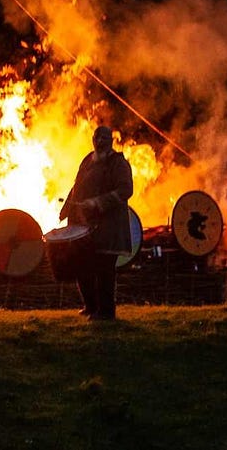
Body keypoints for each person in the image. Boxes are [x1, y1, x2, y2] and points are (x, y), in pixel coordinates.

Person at [61, 125, 134, 321]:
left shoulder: (117, 163)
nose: (100, 142)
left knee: (104, 270)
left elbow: (125, 190)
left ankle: (106, 311)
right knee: (82, 266)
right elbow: (77, 186)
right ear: (93, 139)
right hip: (84, 226)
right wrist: (67, 208)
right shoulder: (87, 160)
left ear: (111, 141)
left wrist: (97, 203)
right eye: (97, 138)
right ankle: (91, 306)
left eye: (104, 138)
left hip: (108, 227)